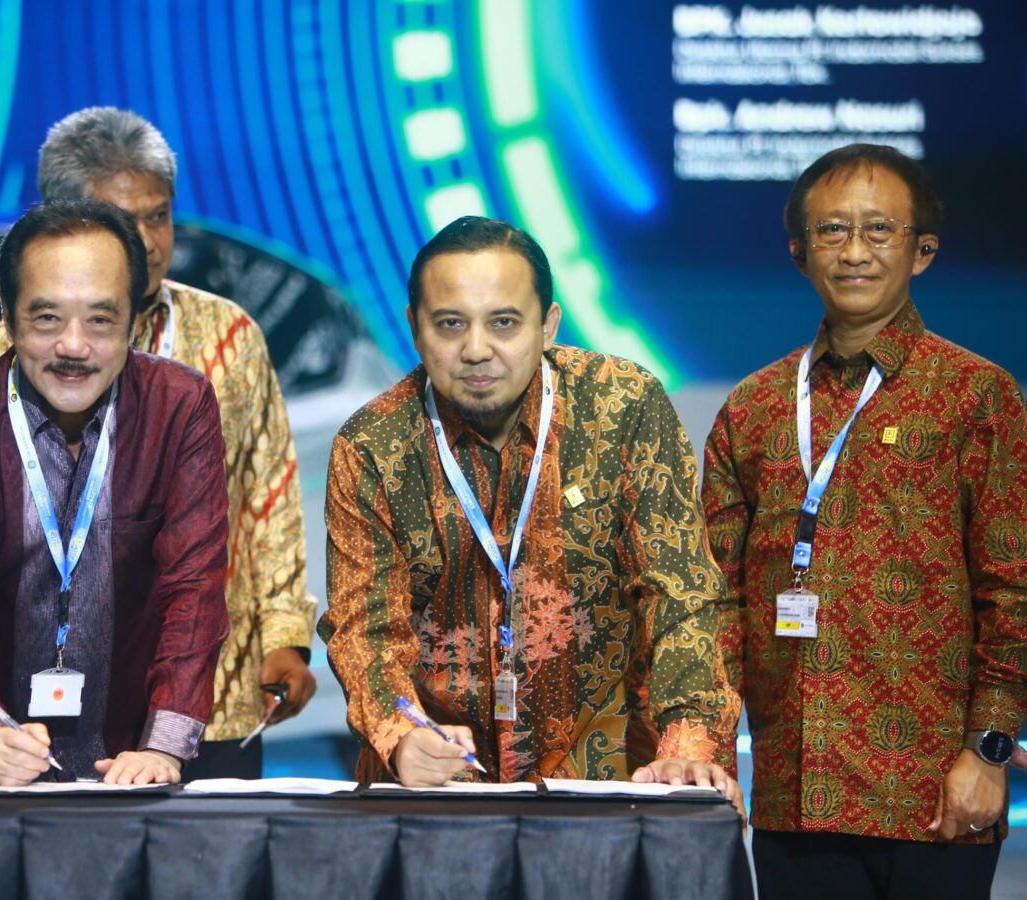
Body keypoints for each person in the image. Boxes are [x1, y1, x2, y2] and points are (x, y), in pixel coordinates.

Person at [319, 216, 743, 803]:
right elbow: (365, 626)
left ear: (548, 326)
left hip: (612, 776)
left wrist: (689, 741)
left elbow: (678, 589)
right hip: (440, 781)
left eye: (503, 322)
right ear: (415, 328)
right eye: (450, 324)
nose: (476, 350)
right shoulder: (373, 444)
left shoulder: (624, 406)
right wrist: (399, 733)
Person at [701, 144, 1027, 898]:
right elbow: (715, 598)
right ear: (799, 252)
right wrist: (710, 748)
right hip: (794, 794)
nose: (854, 252)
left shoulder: (978, 396)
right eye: (831, 231)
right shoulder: (753, 407)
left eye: (879, 230)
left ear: (922, 251)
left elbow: (1013, 590)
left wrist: (988, 752)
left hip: (937, 797)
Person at [0, 109, 315, 779]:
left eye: (159, 216)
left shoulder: (230, 338)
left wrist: (284, 637)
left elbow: (269, 500)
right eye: (123, 221)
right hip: (50, 698)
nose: (147, 242)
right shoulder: (0, 357)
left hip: (214, 691)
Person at [0, 200, 230, 785]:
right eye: (47, 319)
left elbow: (194, 589)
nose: (73, 346)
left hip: (123, 764)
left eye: (100, 320)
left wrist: (164, 747)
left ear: (134, 321)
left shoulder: (180, 409)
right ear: (8, 317)